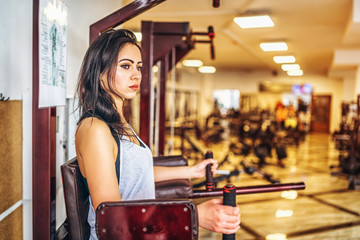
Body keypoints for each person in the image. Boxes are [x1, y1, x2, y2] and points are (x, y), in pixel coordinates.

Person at [75, 29, 241, 239]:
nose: (136, 74)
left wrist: (191, 171)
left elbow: (136, 174)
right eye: (125, 66)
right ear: (99, 72)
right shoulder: (94, 128)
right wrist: (194, 215)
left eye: (139, 67)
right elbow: (111, 218)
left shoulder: (117, 122)